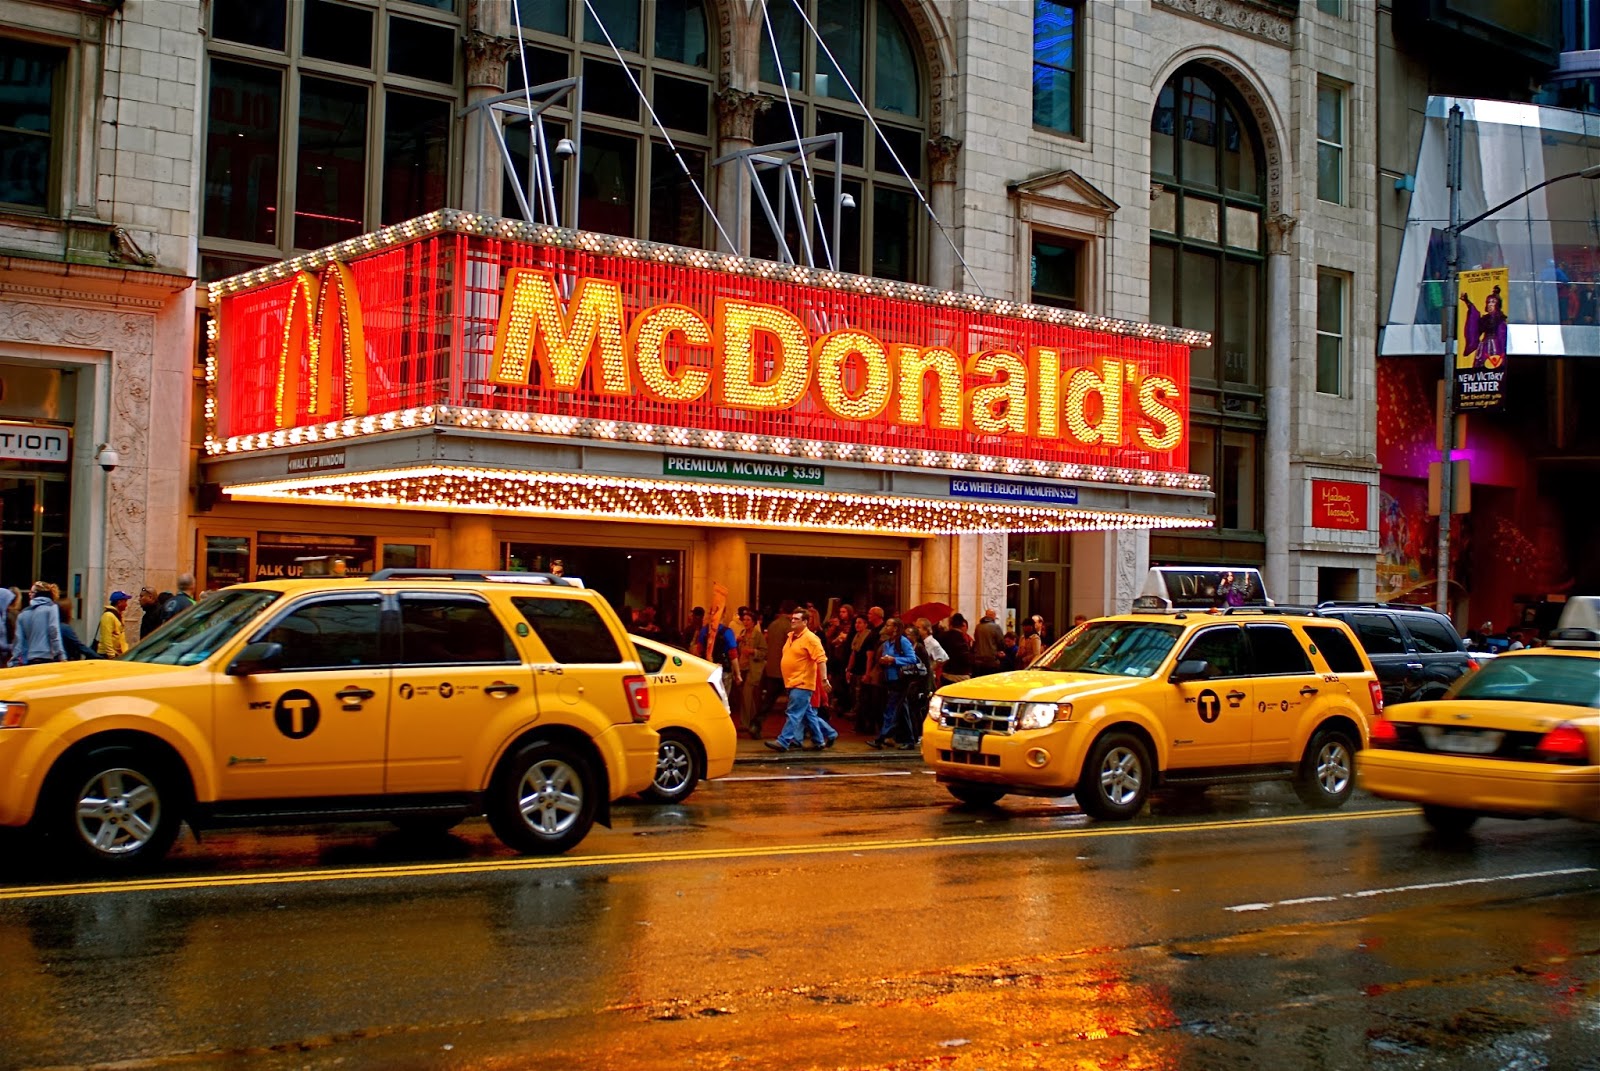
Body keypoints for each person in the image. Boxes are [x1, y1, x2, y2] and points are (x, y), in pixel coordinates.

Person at [765, 608, 837, 752]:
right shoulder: (791, 636)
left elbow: (821, 659)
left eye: (796, 619)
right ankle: (820, 740)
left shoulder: (811, 638)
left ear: (805, 622)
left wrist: (823, 679)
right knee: (807, 714)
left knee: (794, 713)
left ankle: (783, 741)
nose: (792, 621)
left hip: (802, 683)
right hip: (792, 682)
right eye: (792, 618)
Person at [867, 617, 921, 749]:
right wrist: (883, 661)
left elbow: (912, 659)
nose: (886, 627)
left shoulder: (902, 641)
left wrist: (894, 660)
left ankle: (881, 738)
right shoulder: (887, 643)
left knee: (891, 709)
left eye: (888, 625)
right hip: (889, 679)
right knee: (902, 710)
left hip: (900, 680)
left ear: (895, 628)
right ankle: (910, 741)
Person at [11, 582, 65, 666]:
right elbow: (53, 631)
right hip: (48, 657)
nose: (29, 594)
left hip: (30, 659)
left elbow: (18, 641)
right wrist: (61, 655)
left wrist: (14, 662)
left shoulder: (22, 614)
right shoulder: (51, 608)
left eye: (31, 592)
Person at [760, 601, 796, 722]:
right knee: (796, 700)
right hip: (786, 669)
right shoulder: (790, 627)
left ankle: (757, 723)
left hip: (772, 667)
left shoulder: (772, 625)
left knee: (769, 699)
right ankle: (799, 728)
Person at [735, 608, 768, 738]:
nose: (746, 622)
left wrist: (753, 652)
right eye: (744, 619)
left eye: (748, 620)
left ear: (754, 622)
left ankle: (747, 723)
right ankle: (753, 722)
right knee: (746, 697)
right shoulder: (742, 634)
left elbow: (764, 652)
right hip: (741, 667)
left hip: (752, 668)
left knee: (747, 694)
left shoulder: (758, 635)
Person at [938, 613, 973, 683]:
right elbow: (965, 657)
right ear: (962, 625)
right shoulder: (961, 638)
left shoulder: (943, 636)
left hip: (946, 673)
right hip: (960, 675)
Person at [96, 591, 131, 658]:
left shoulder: (118, 615)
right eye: (125, 601)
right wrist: (111, 655)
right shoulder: (108, 616)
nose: (126, 605)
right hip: (107, 655)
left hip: (117, 653)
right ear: (119, 602)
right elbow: (107, 637)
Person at [972, 608, 1005, 674]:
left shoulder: (978, 627)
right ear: (993, 616)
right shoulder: (996, 627)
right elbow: (1001, 642)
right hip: (991, 661)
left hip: (978, 661)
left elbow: (976, 639)